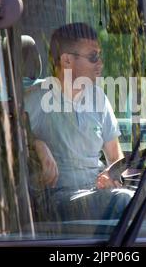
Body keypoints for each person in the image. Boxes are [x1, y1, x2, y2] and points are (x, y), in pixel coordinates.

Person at [23, 22, 132, 223]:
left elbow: (115, 156)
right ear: (66, 61)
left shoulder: (99, 98)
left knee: (145, 198)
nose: (100, 64)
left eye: (99, 55)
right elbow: (6, 136)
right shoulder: (37, 98)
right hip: (57, 200)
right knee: (123, 201)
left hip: (94, 194)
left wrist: (112, 174)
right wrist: (37, 144)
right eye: (93, 57)